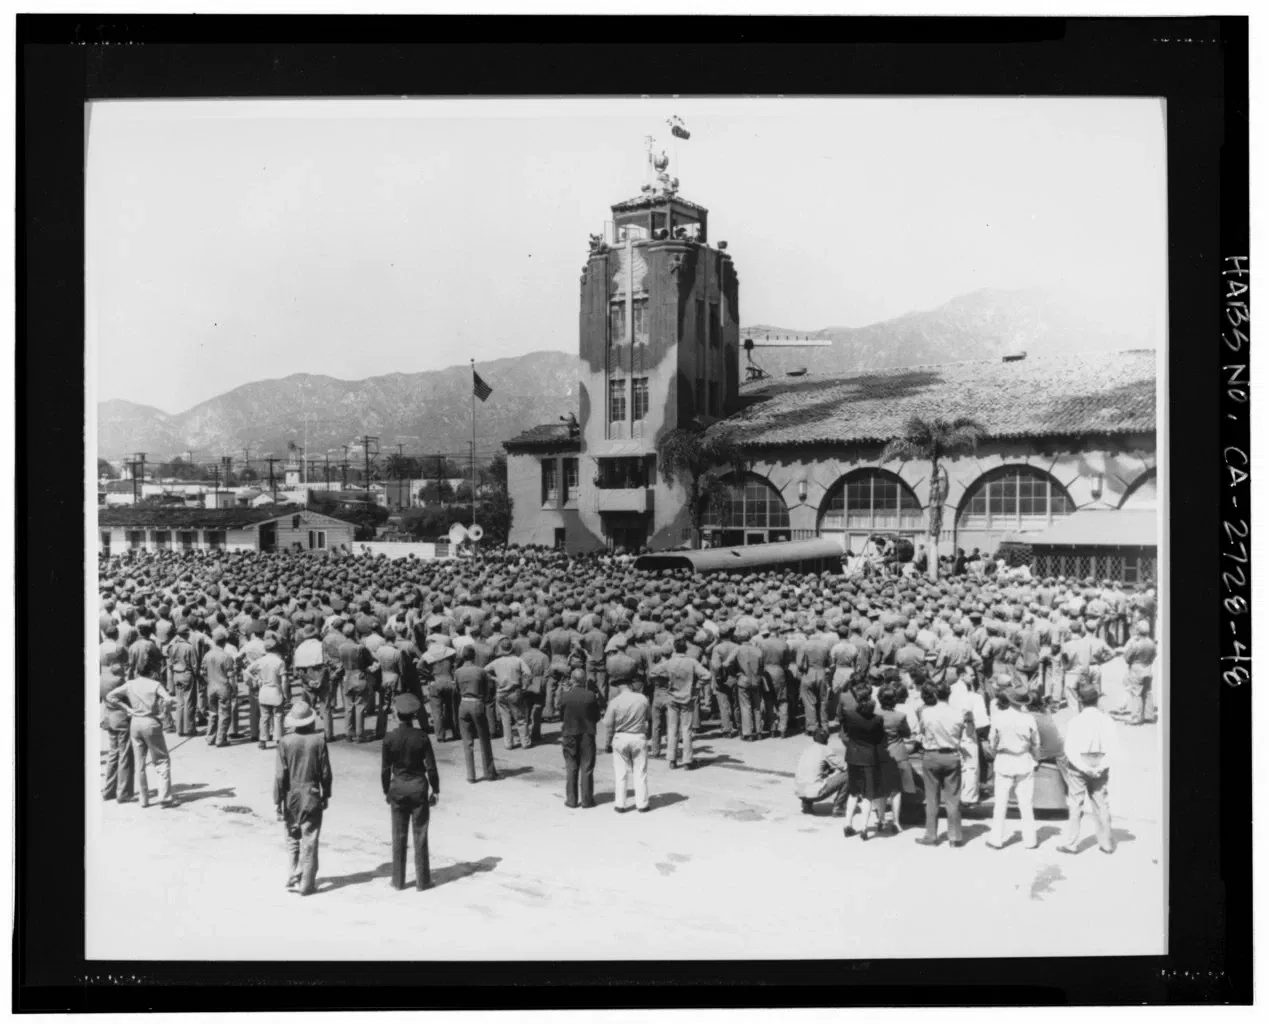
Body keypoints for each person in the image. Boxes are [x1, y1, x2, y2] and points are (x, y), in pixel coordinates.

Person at [380, 693, 440, 892]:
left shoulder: (389, 737)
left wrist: (386, 790)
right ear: (413, 715)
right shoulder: (422, 737)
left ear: (397, 714)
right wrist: (436, 789)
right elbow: (431, 767)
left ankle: (398, 880)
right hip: (418, 787)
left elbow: (385, 769)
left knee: (398, 834)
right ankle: (423, 881)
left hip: (397, 786)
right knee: (420, 834)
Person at [273, 699, 333, 896]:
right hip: (312, 793)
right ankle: (306, 883)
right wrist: (326, 794)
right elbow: (325, 772)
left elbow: (280, 775)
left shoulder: (285, 742)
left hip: (291, 795)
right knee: (310, 838)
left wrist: (278, 800)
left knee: (292, 836)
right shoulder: (318, 741)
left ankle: (293, 875)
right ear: (310, 722)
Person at [1057, 679, 1124, 855]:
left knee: (1076, 804)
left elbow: (1069, 750)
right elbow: (1114, 748)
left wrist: (1084, 767)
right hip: (1100, 763)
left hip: (1079, 767)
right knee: (1101, 804)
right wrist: (1100, 766)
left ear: (1080, 700)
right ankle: (1106, 843)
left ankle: (1071, 843)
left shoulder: (1075, 722)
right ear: (1097, 700)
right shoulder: (1107, 721)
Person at [105, 669, 177, 809]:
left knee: (140, 763)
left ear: (137, 672)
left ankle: (143, 799)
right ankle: (165, 797)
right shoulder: (155, 684)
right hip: (151, 721)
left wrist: (127, 709)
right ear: (151, 672)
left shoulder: (130, 684)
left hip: (135, 723)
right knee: (161, 760)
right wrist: (164, 713)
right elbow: (168, 699)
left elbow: (110, 696)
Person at [984, 684, 1041, 850]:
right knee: (1026, 803)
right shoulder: (1029, 719)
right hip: (1024, 759)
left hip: (1004, 759)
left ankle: (996, 839)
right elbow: (1036, 744)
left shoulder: (998, 717)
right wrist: (1036, 760)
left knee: (1000, 803)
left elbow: (992, 743)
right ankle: (1030, 840)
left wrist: (996, 755)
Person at [914, 680, 966, 847]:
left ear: (936, 694)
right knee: (953, 798)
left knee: (932, 798)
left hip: (932, 755)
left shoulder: (927, 713)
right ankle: (955, 837)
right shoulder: (958, 713)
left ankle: (931, 835)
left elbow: (921, 731)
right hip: (952, 756)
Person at [647, 636, 711, 770]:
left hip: (672, 696)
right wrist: (697, 687)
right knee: (686, 729)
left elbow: (652, 672)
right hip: (687, 696)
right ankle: (687, 760)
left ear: (675, 648)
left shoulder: (669, 663)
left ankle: (672, 759)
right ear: (686, 649)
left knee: (672, 729)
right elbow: (707, 675)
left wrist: (663, 681)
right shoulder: (692, 662)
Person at [838, 681, 885, 839]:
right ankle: (864, 828)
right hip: (869, 757)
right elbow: (879, 739)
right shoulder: (877, 719)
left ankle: (847, 823)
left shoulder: (850, 715)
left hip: (852, 755)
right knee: (868, 794)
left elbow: (844, 732)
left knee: (853, 792)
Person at [602, 675, 651, 813]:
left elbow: (608, 723)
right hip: (638, 736)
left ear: (619, 687)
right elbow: (648, 717)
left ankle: (620, 804)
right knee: (640, 771)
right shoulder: (642, 698)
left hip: (621, 736)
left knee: (620, 772)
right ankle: (642, 804)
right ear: (631, 685)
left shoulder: (615, 701)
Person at [99, 624, 135, 803]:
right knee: (125, 754)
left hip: (108, 717)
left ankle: (108, 790)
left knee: (113, 754)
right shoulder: (120, 681)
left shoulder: (102, 679)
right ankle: (123, 792)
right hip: (121, 719)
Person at [454, 645, 499, 783]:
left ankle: (471, 775)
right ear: (474, 656)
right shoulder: (480, 671)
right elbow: (487, 690)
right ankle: (489, 772)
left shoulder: (458, 672)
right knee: (484, 739)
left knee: (467, 741)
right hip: (477, 703)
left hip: (463, 704)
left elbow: (456, 689)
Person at [559, 668, 600, 808]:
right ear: (584, 680)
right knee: (587, 767)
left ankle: (571, 800)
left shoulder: (565, 695)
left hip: (569, 733)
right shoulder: (590, 695)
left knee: (571, 766)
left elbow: (561, 716)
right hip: (587, 733)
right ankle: (587, 800)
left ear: (572, 679)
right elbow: (597, 716)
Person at [876, 682, 915, 834]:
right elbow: (907, 733)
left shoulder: (875, 715)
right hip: (898, 753)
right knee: (896, 790)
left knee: (880, 790)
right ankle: (896, 822)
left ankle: (880, 819)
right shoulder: (900, 716)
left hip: (881, 753)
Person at [486, 637, 533, 751]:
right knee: (520, 718)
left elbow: (484, 671)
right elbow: (528, 673)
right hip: (515, 692)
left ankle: (508, 743)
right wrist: (525, 686)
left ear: (501, 649)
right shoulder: (518, 660)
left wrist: (495, 679)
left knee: (505, 719)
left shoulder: (496, 662)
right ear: (511, 648)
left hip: (501, 693)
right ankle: (525, 742)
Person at [793, 728, 848, 815]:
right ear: (826, 740)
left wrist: (826, 771)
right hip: (815, 793)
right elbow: (844, 767)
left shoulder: (807, 749)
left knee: (811, 776)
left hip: (799, 791)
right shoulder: (825, 749)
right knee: (848, 775)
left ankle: (806, 804)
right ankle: (838, 807)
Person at [1113, 620, 1158, 726]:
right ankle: (1149, 715)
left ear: (1138, 631)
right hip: (1148, 668)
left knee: (1136, 693)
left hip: (1136, 669)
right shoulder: (1152, 643)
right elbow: (1153, 656)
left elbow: (1127, 658)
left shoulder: (1136, 644)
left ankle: (1136, 717)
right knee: (1147, 692)